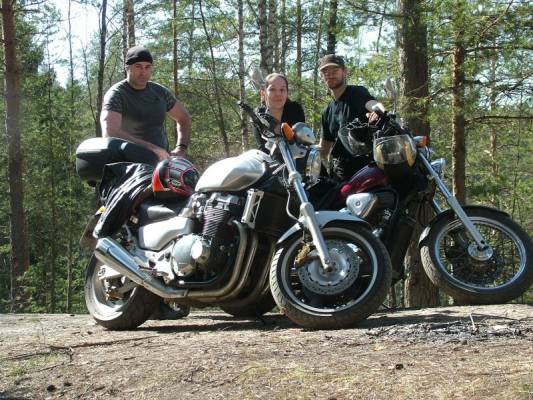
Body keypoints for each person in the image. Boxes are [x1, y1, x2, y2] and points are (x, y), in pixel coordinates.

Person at [100, 45, 191, 161]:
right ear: (127, 67)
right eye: (138, 66)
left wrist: (181, 148)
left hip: (161, 163)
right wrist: (151, 148)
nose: (143, 72)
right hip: (127, 165)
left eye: (147, 67)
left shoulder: (160, 92)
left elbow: (184, 117)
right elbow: (110, 131)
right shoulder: (117, 94)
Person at [317, 54, 385, 182]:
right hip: (341, 173)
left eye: (335, 70)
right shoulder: (327, 111)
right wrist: (300, 149)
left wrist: (379, 110)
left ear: (345, 72)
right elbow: (324, 148)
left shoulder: (356, 93)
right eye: (325, 72)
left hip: (367, 168)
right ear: (321, 76)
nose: (330, 75)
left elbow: (372, 103)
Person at [253, 73, 305, 152]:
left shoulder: (295, 109)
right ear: (263, 93)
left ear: (287, 93)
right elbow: (263, 149)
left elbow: (300, 143)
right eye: (272, 89)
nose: (278, 94)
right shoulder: (258, 115)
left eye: (282, 90)